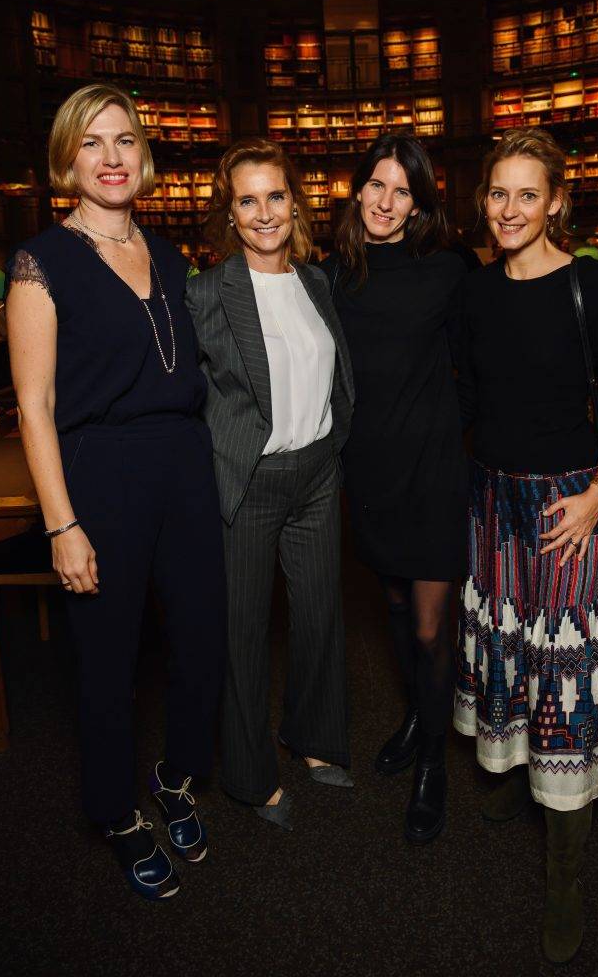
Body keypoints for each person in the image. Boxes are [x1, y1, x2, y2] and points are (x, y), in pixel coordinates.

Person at [5, 83, 226, 900]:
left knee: (202, 640)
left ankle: (174, 778)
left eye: (125, 140)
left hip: (184, 466)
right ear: (68, 159)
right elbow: (35, 405)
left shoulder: (168, 255)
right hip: (99, 475)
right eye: (92, 142)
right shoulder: (41, 262)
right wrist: (62, 524)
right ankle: (115, 810)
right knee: (107, 660)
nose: (111, 158)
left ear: (145, 156)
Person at [454, 128, 598, 963]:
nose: (509, 209)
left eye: (527, 194)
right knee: (511, 657)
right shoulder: (477, 290)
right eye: (498, 192)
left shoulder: (591, 284)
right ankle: (521, 779)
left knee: (567, 677)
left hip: (570, 506)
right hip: (493, 504)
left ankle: (564, 874)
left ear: (557, 202)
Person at [186, 138, 354, 832]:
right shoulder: (205, 291)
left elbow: (336, 375)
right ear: (229, 211)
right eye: (247, 200)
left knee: (318, 618)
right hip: (249, 482)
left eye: (275, 196)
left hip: (317, 473)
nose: (263, 213)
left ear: (295, 202)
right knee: (245, 631)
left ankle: (313, 738)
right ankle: (251, 778)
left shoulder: (318, 281)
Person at [322, 132, 467, 844]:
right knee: (393, 604)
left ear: (419, 204)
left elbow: (489, 355)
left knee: (433, 626)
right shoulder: (333, 274)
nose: (385, 201)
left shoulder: (447, 270)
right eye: (376, 185)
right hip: (369, 472)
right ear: (357, 191)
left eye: (401, 190)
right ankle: (417, 713)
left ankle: (433, 766)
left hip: (435, 471)